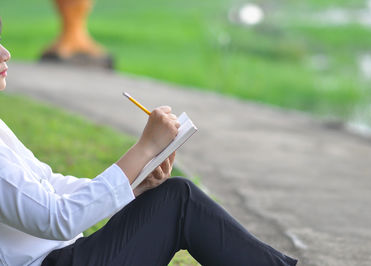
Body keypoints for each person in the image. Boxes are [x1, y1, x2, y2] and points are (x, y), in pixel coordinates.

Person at [0, 19, 297, 266]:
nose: (5, 53)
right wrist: (144, 148)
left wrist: (134, 185)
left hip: (67, 256)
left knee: (174, 195)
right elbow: (56, 219)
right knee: (179, 202)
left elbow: (49, 186)